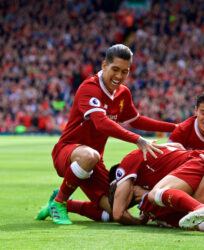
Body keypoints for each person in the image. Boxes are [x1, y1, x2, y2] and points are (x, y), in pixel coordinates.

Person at [37, 44, 177, 225]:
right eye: (115, 69)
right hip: (69, 152)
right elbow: (101, 123)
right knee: (89, 155)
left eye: (125, 71)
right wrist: (137, 139)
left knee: (115, 212)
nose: (119, 76)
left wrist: (175, 127)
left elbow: (137, 120)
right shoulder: (90, 87)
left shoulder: (123, 93)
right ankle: (59, 202)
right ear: (104, 66)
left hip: (94, 162)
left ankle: (66, 204)